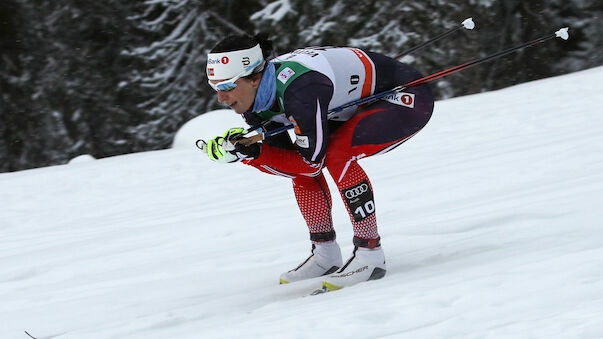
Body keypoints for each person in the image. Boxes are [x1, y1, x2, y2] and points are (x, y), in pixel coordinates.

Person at [200, 34, 434, 292]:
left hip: (404, 96)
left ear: (255, 77)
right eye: (215, 87)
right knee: (301, 163)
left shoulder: (301, 90)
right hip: (350, 103)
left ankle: (370, 255)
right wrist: (246, 152)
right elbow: (292, 164)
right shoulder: (255, 98)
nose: (221, 98)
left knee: (335, 154)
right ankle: (326, 254)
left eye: (226, 87)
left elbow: (311, 163)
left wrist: (254, 155)